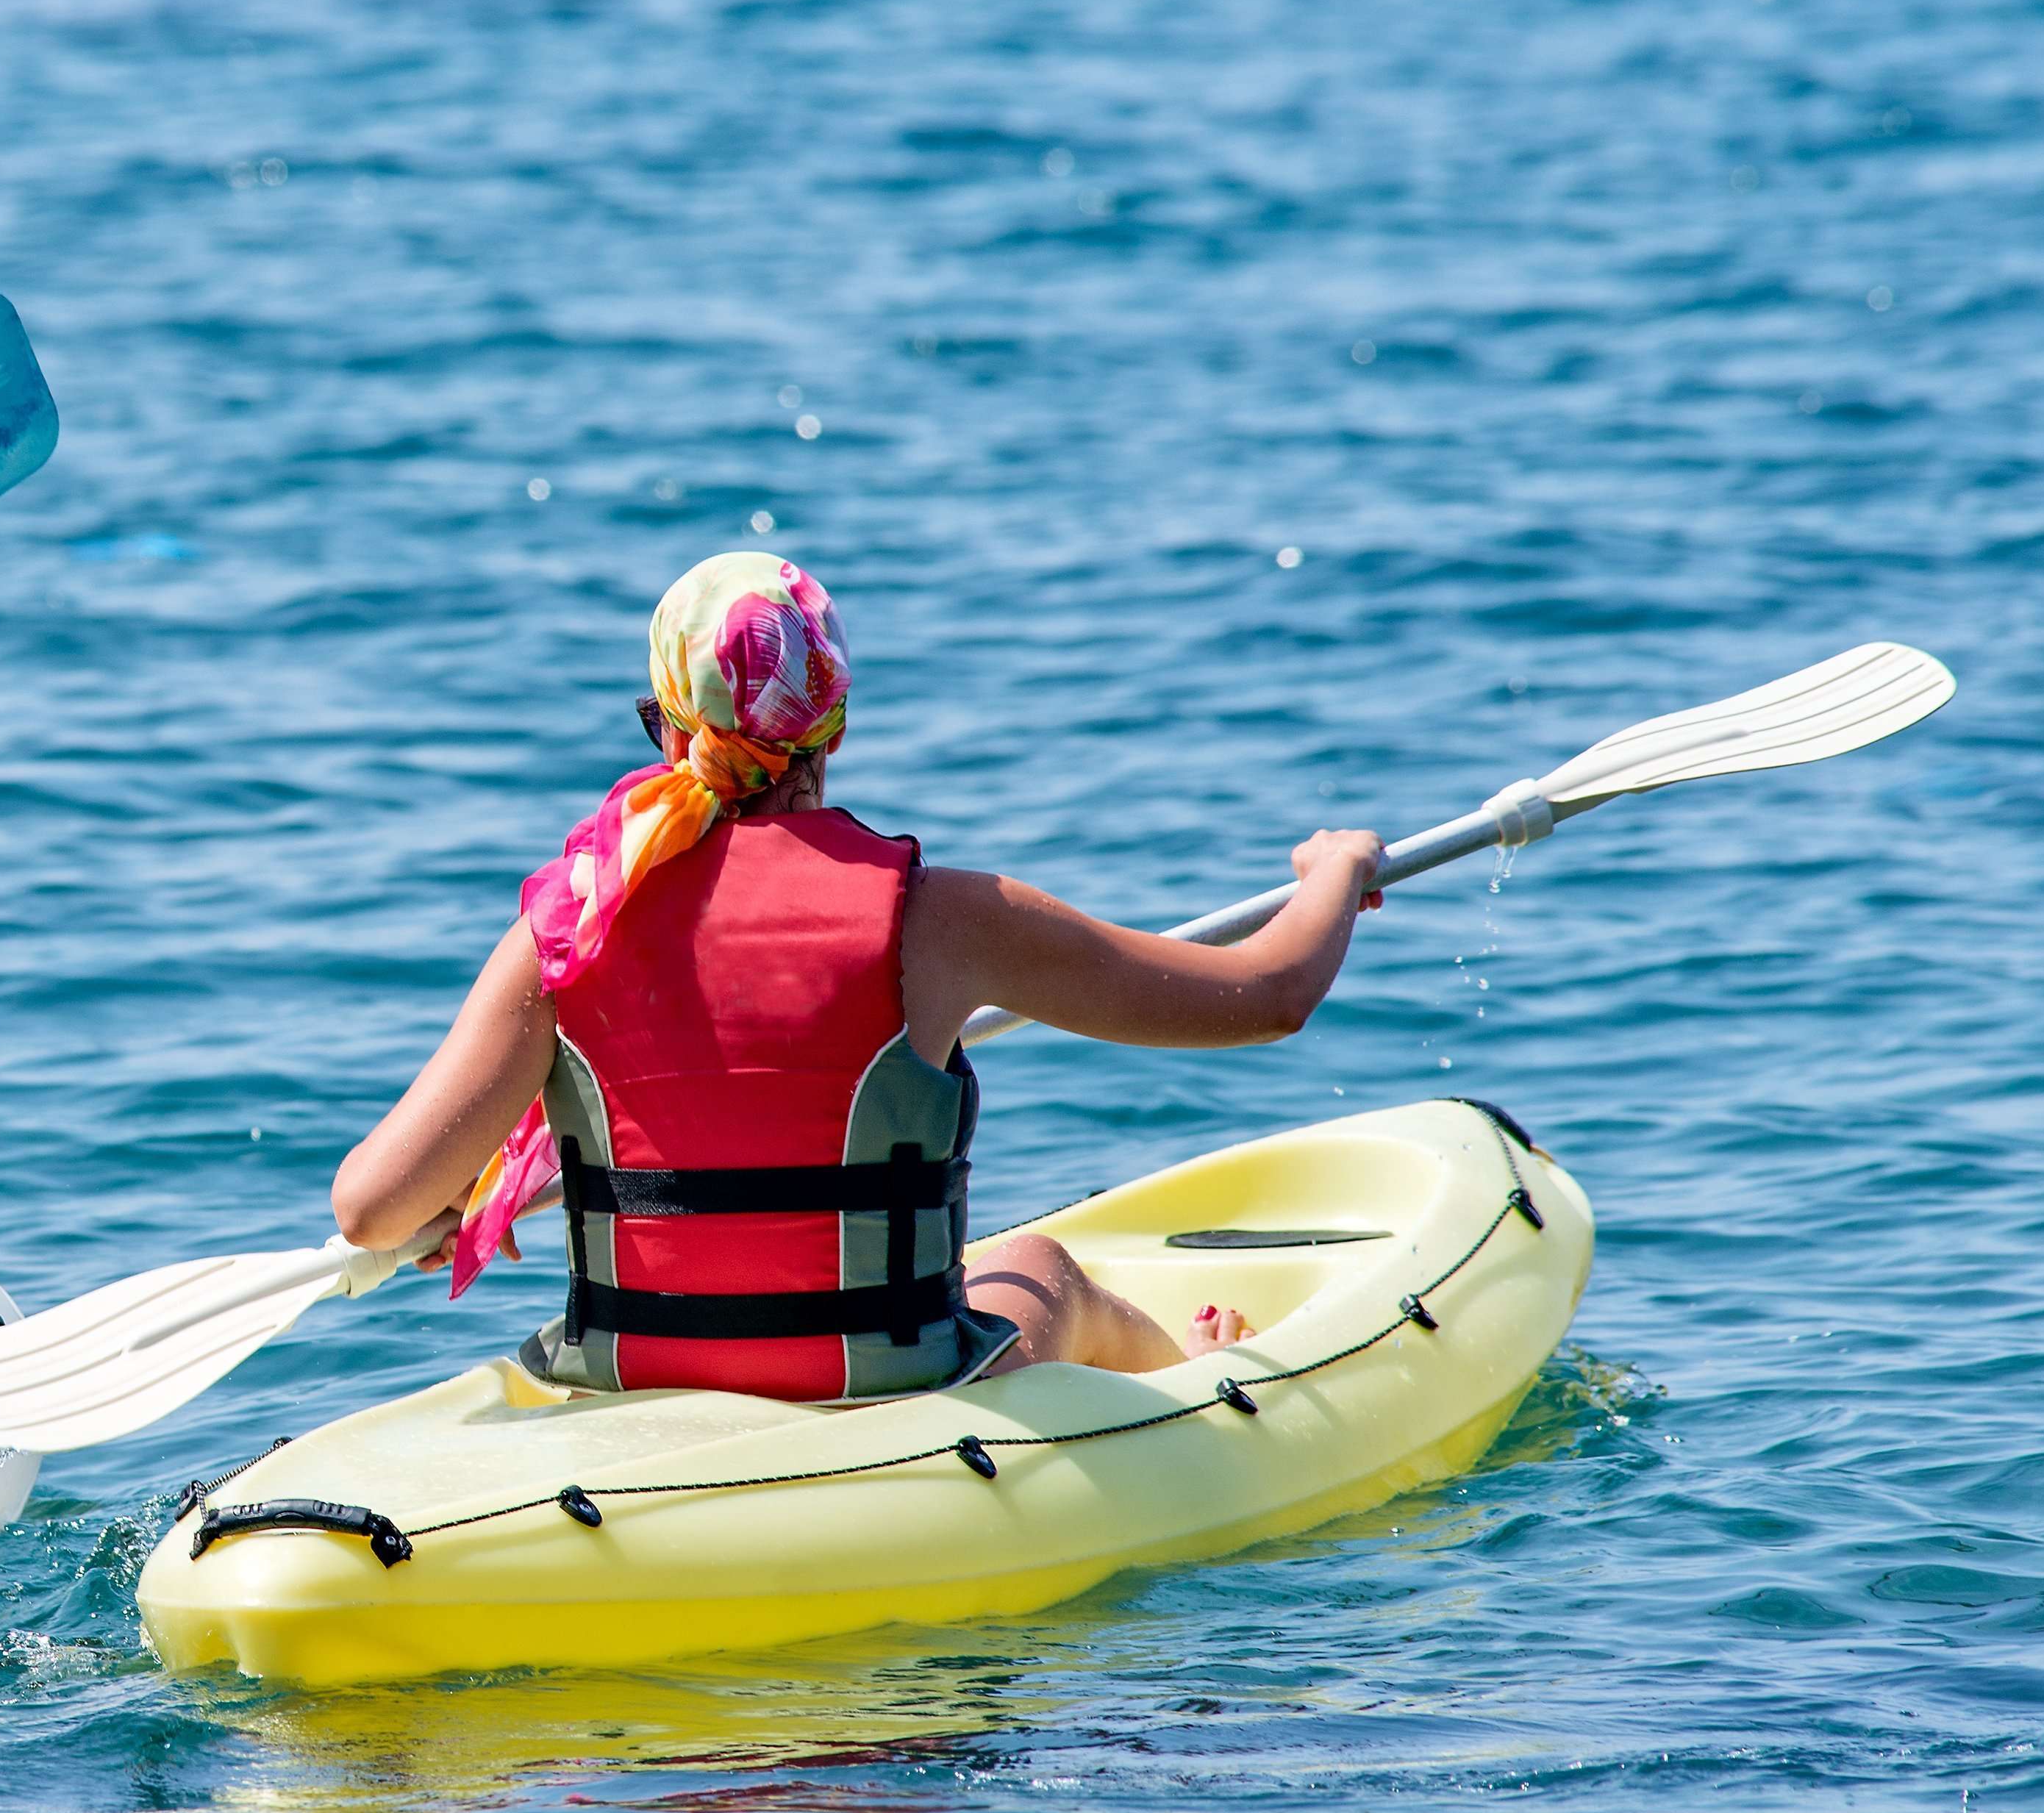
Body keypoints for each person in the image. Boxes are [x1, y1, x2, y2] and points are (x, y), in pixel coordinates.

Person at [330, 551, 1384, 1395]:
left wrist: (459, 1197)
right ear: (833, 724)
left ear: (667, 725)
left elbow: (370, 1212)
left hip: (630, 1376)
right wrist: (1334, 872)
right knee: (1047, 1274)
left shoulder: (566, 929)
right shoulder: (942, 919)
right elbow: (1270, 995)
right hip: (889, 1382)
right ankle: (1198, 1388)